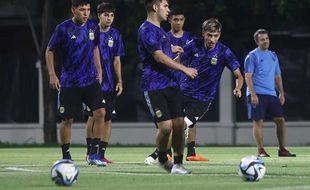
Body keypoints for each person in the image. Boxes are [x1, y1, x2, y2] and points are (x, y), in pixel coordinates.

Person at [137, 0, 197, 174]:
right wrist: (185, 69)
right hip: (154, 85)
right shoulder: (146, 29)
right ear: (155, 7)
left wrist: (172, 49)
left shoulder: (161, 32)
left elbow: (164, 52)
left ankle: (177, 164)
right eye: (165, 6)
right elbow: (159, 57)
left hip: (170, 83)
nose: (168, 10)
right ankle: (162, 158)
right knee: (165, 127)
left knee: (179, 124)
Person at [46, 0, 107, 166]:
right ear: (73, 10)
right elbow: (49, 50)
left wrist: (99, 71)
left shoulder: (93, 27)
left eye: (88, 9)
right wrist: (52, 74)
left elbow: (95, 48)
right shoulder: (63, 28)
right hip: (69, 82)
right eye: (82, 10)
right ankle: (66, 155)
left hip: (89, 79)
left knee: (100, 113)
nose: (85, 13)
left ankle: (93, 154)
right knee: (67, 119)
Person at [144, 8, 208, 165]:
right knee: (166, 122)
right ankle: (164, 152)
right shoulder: (163, 37)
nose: (178, 22)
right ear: (170, 20)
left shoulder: (190, 39)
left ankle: (191, 152)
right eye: (175, 20)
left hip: (186, 85)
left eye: (181, 20)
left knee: (189, 120)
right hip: (168, 83)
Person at [244, 29, 296, 157]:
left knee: (280, 120)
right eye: (262, 39)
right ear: (257, 41)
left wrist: (281, 93)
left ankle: (282, 149)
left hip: (271, 94)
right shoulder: (252, 56)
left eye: (267, 39)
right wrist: (253, 94)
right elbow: (248, 76)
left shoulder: (273, 55)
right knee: (258, 121)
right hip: (257, 93)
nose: (265, 41)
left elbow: (277, 76)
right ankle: (261, 150)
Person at [85, 1, 125, 164]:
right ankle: (90, 153)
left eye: (112, 15)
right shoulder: (90, 31)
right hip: (92, 82)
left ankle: (101, 154)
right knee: (93, 117)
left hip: (109, 83)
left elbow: (117, 60)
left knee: (108, 119)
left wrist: (120, 80)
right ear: (99, 15)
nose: (109, 18)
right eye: (106, 14)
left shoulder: (116, 35)